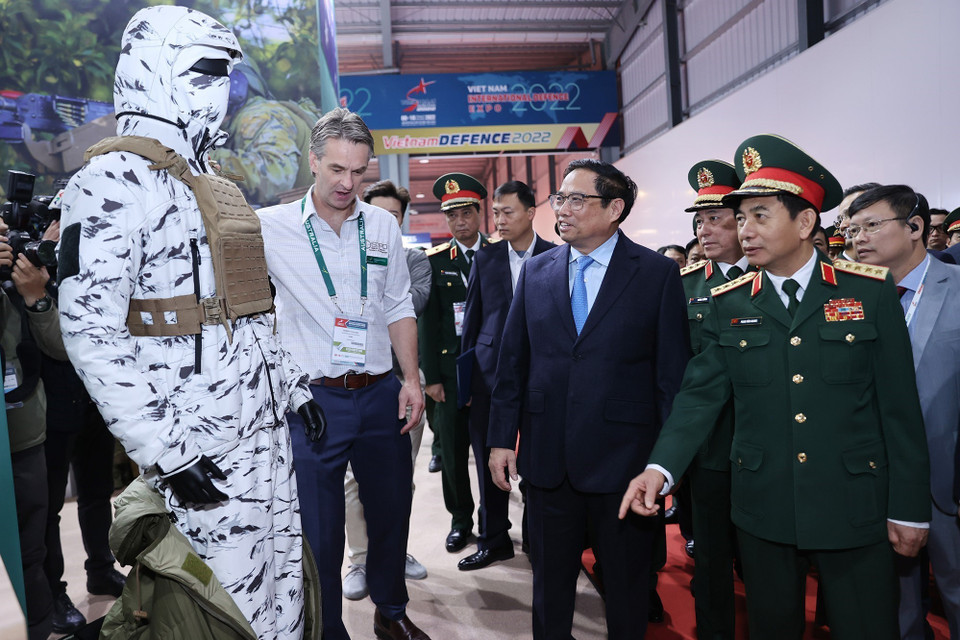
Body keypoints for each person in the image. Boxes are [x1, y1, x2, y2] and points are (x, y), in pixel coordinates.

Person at [58, 7, 320, 639]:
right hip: (195, 440)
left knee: (283, 581)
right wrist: (166, 451)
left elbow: (249, 305)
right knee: (214, 605)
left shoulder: (213, 186)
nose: (219, 93)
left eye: (225, 76)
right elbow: (90, 329)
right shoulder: (108, 181)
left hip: (262, 430)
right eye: (203, 72)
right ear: (155, 71)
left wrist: (292, 386)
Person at [621, 134, 932, 640]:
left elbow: (899, 410)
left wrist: (910, 509)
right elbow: (700, 395)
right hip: (764, 507)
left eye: (760, 215)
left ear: (805, 222)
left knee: (865, 626)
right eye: (740, 217)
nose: (746, 229)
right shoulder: (731, 301)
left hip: (854, 502)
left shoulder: (867, 292)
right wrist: (660, 468)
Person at [489, 159, 689, 639]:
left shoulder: (656, 274)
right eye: (560, 198)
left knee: (626, 587)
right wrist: (500, 439)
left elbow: (672, 379)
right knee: (550, 587)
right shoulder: (537, 272)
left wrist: (668, 464)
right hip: (546, 460)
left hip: (625, 465)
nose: (563, 209)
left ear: (615, 208)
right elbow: (512, 363)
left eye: (577, 199)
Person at [258, 107, 429, 640]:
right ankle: (327, 627)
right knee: (320, 530)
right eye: (336, 169)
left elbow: (400, 303)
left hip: (379, 393)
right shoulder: (270, 227)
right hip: (313, 403)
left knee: (391, 513)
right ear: (313, 161)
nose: (347, 183)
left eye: (359, 172)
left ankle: (391, 611)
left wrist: (411, 380)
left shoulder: (383, 225)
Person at [848, 185, 960, 640]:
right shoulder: (846, 301)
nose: (858, 238)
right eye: (851, 229)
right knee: (895, 605)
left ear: (915, 227)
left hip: (947, 484)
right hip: (876, 483)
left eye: (871, 225)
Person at [341, 180, 429, 601]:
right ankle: (359, 559)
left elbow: (411, 302)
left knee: (398, 480)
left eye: (393, 216)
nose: (385, 222)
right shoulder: (342, 254)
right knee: (353, 481)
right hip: (350, 382)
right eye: (377, 214)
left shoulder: (415, 261)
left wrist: (362, 297)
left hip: (400, 380)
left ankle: (394, 554)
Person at [459, 180, 553, 571]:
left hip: (540, 376)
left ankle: (537, 536)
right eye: (496, 213)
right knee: (487, 462)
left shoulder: (556, 256)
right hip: (489, 377)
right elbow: (472, 319)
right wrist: (466, 382)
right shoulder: (487, 258)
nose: (499, 220)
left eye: (508, 212)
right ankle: (493, 539)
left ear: (531, 213)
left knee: (538, 460)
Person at [679, 159, 747, 640]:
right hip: (708, 446)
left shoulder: (773, 277)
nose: (705, 229)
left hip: (772, 440)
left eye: (716, 218)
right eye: (699, 220)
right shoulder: (684, 287)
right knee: (712, 557)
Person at [3, 219, 67, 640]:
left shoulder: (12, 279)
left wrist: (35, 297)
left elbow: (60, 347)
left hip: (23, 432)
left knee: (31, 550)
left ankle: (40, 627)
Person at [419, 172, 489, 554]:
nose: (459, 222)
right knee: (453, 454)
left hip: (491, 377)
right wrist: (430, 378)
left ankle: (495, 522)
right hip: (449, 377)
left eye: (465, 213)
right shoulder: (435, 262)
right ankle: (460, 520)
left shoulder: (497, 256)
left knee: (494, 452)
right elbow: (427, 324)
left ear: (479, 214)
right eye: (452, 216)